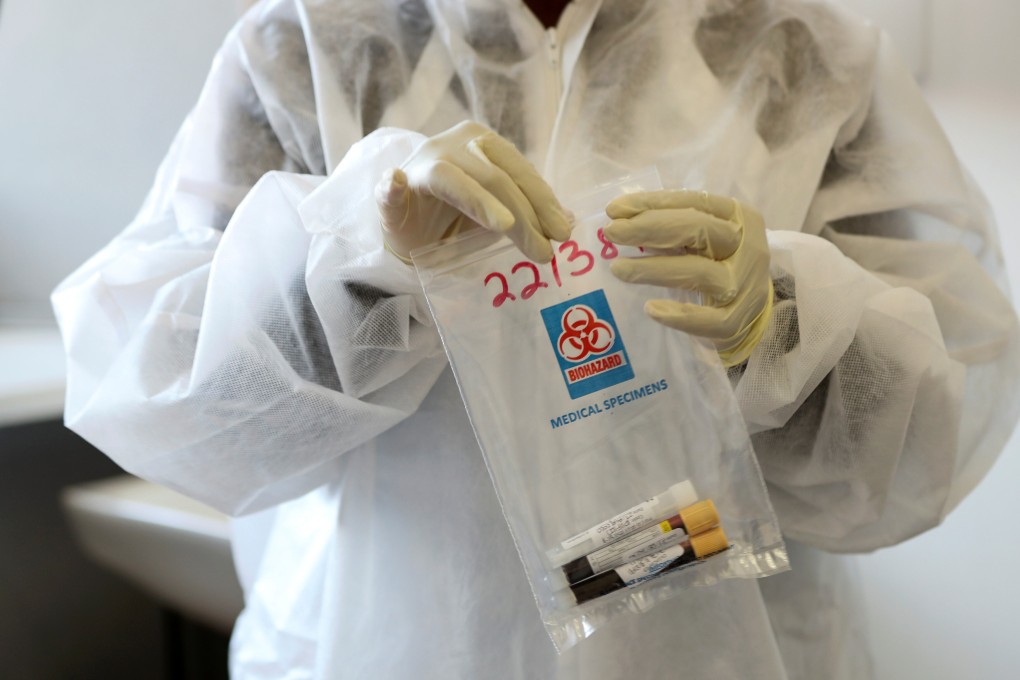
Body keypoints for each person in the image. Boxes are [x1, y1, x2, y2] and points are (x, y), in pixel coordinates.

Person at [51, 0, 1020, 678]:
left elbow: (933, 431)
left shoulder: (800, 52)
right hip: (393, 638)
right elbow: (171, 400)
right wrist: (355, 264)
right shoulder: (305, 45)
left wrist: (788, 327)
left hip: (722, 645)